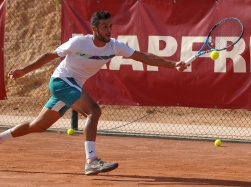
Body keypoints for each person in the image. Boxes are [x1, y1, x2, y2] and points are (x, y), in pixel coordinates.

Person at [1, 10, 187, 175]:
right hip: (61, 81)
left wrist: (173, 64)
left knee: (38, 126)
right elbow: (51, 55)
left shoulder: (114, 46)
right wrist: (24, 71)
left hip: (72, 86)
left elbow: (144, 57)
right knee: (94, 111)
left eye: (110, 26)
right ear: (94, 28)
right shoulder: (79, 42)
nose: (109, 29)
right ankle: (92, 162)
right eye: (104, 26)